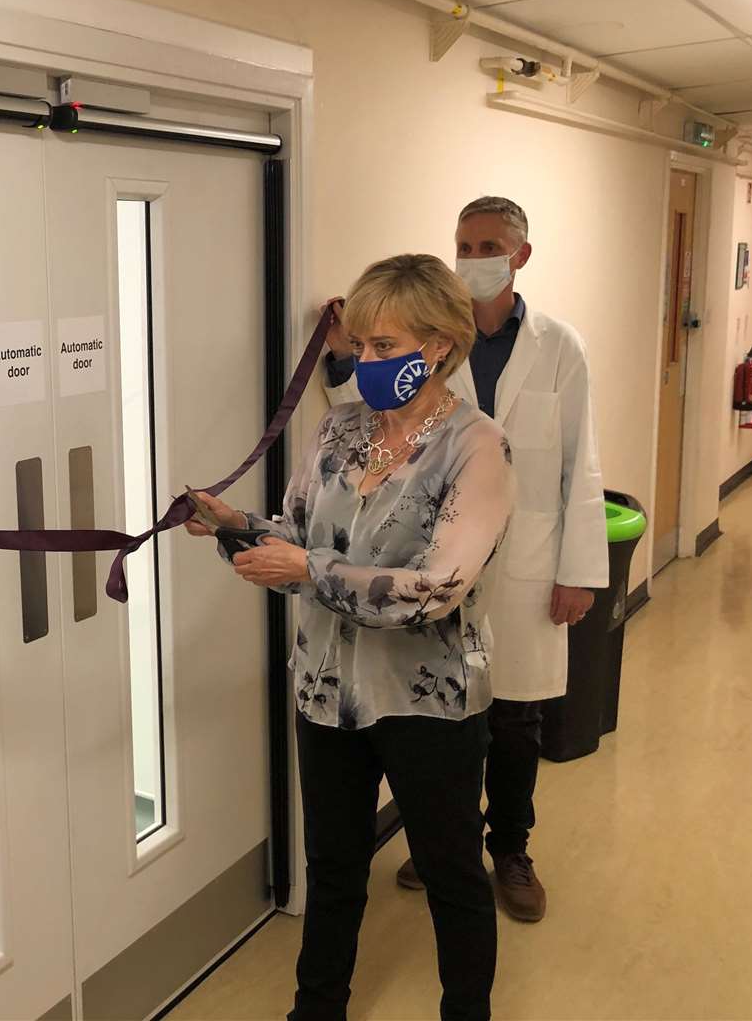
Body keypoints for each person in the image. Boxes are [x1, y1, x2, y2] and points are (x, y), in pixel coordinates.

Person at [189, 254, 515, 1021]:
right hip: (326, 691)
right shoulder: (338, 429)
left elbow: (438, 588)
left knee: (452, 874)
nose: (363, 363)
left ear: (439, 346)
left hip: (429, 702)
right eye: (359, 345)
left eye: (383, 347)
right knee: (333, 868)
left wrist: (307, 567)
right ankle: (317, 1009)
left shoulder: (479, 446)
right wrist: (236, 526)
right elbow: (296, 537)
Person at [320, 196, 608, 922]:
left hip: (527, 565)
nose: (474, 255)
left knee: (515, 719)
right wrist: (346, 343)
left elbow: (582, 462)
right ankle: (446, 842)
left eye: (489, 244)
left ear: (520, 255)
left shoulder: (558, 346)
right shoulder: (432, 338)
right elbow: (365, 393)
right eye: (464, 243)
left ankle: (510, 849)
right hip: (440, 554)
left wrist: (578, 570)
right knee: (451, 716)